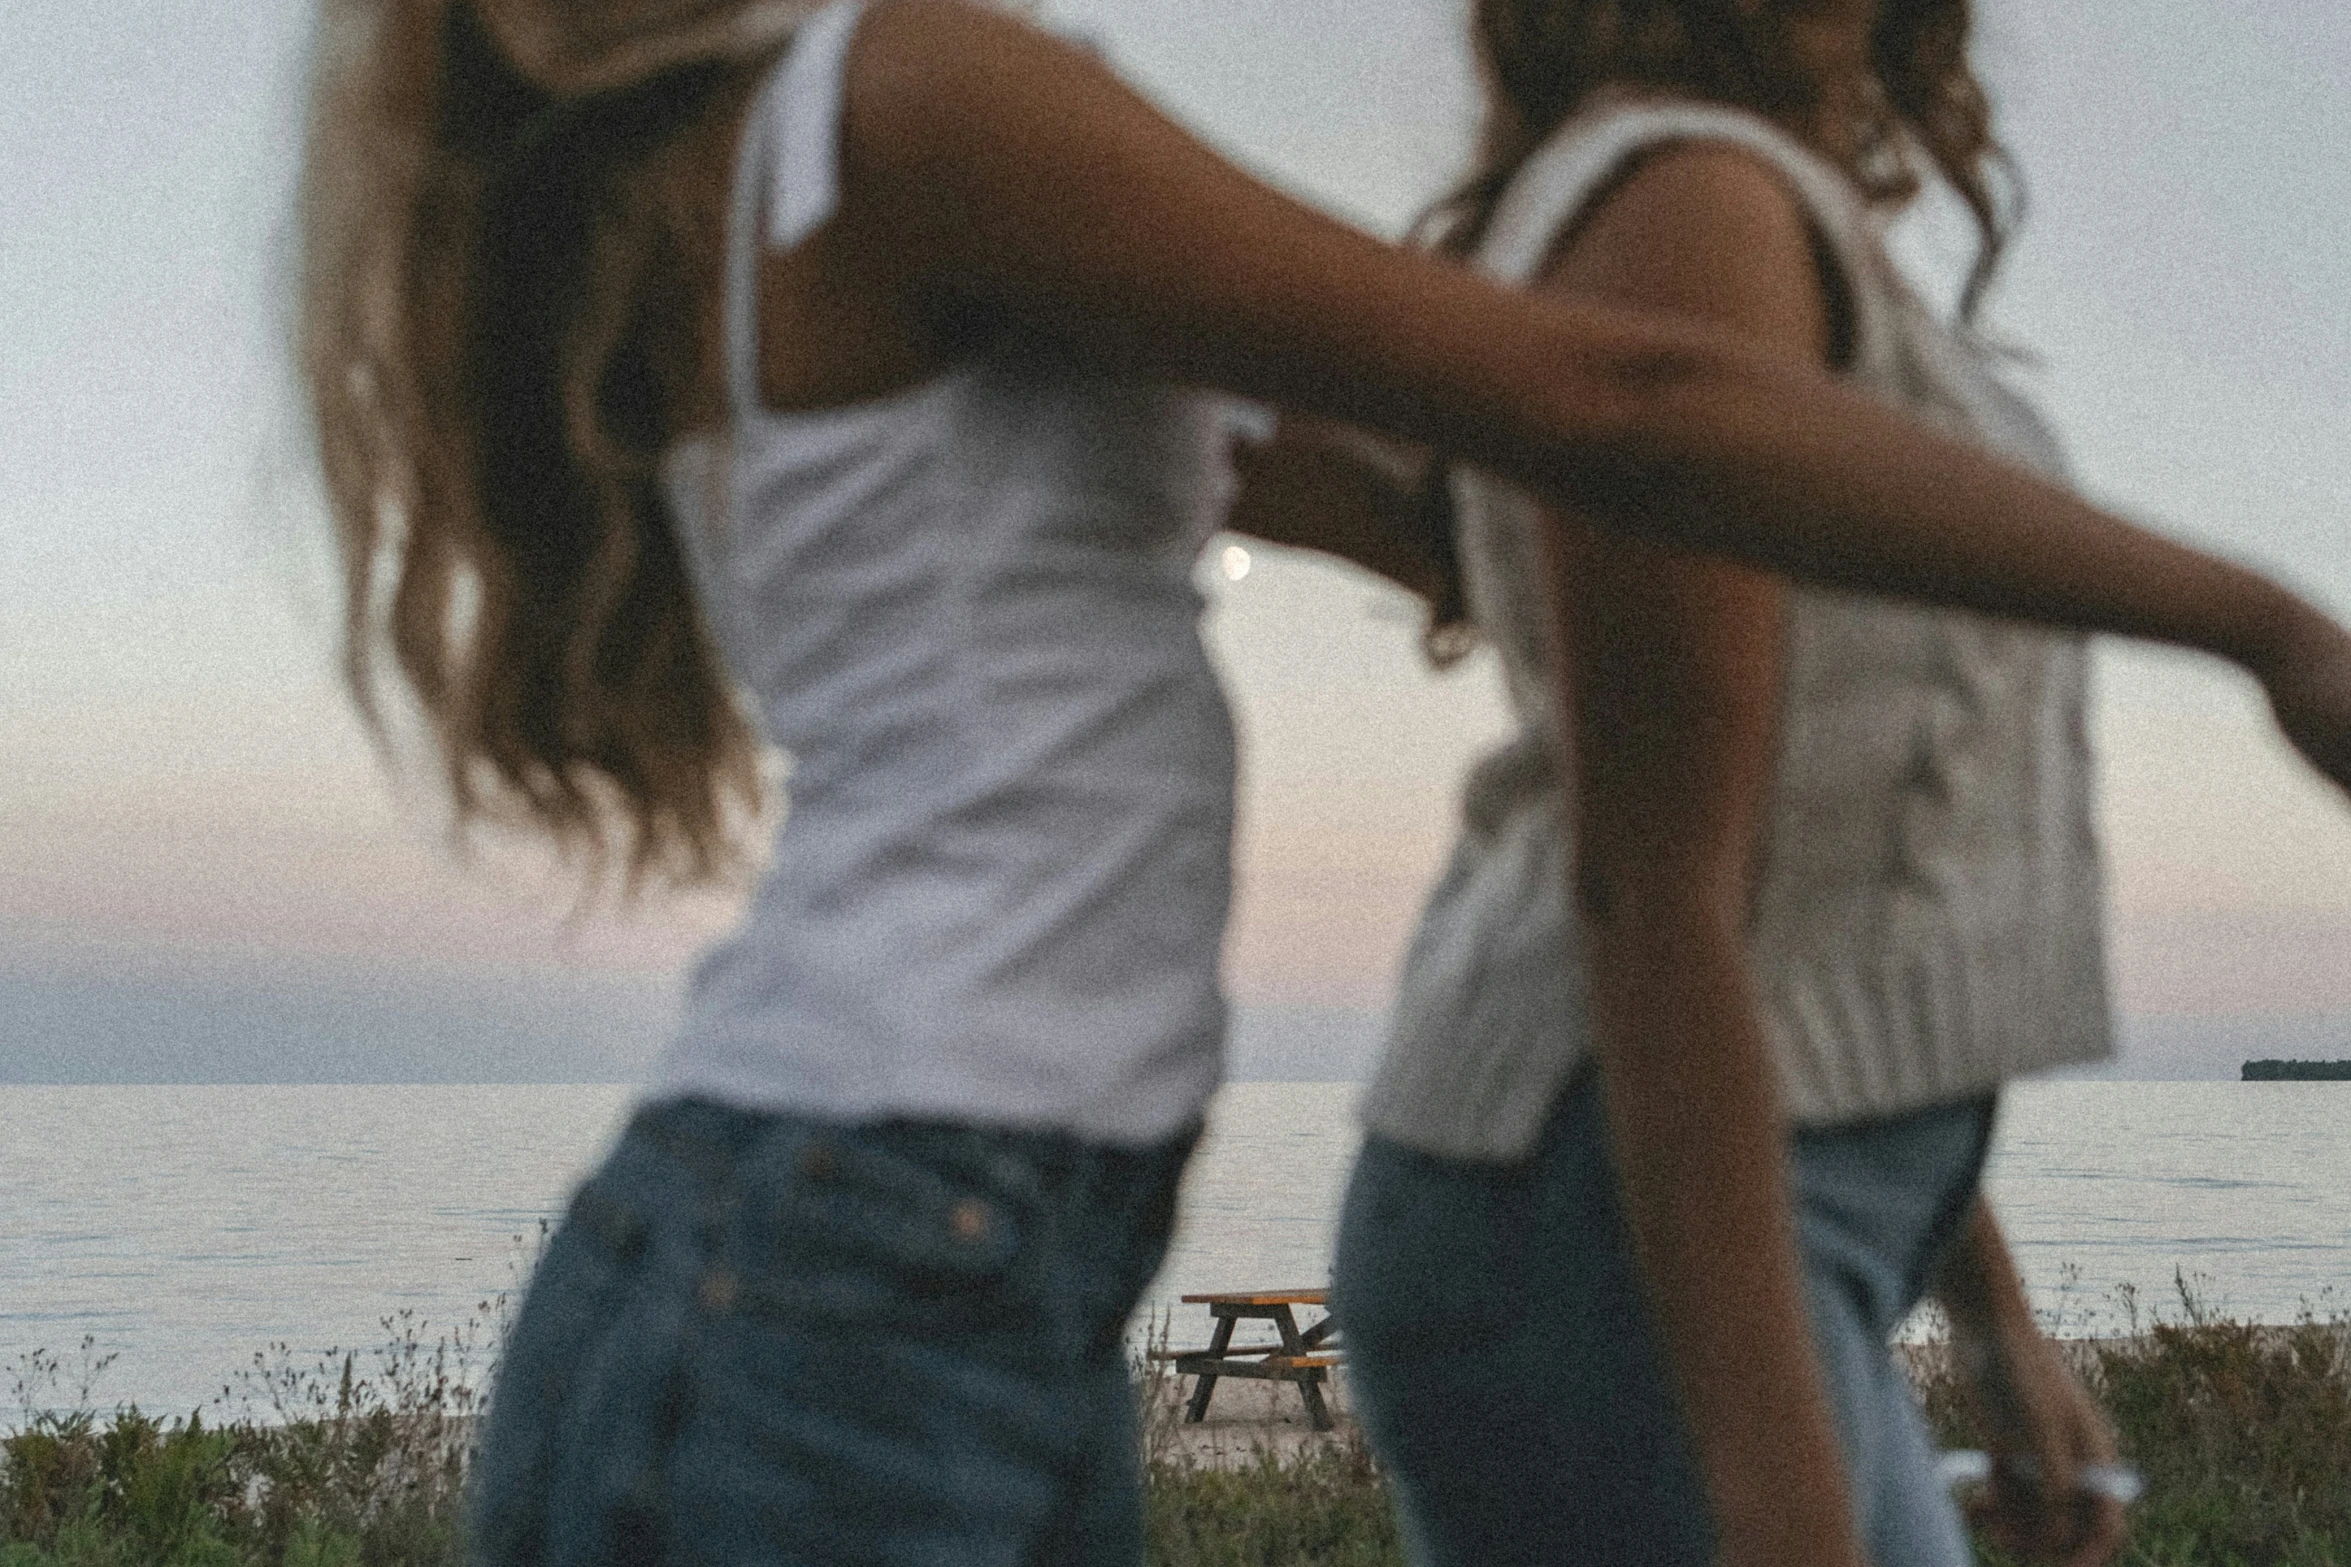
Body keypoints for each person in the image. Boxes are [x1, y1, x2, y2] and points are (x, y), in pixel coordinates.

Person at [293, 0, 2351, 1562]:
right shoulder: (910, 103)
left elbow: (1473, 517)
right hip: (845, 1272)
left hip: (894, 1255)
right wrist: (2257, 624)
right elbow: (1615, 407)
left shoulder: (789, 183)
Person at [1237, 1, 2270, 1564]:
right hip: (1611, 1226)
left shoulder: (1733, 212)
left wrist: (1989, 1321)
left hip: (1744, 1208)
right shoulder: (1683, 201)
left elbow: (1818, 928)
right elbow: (1654, 895)